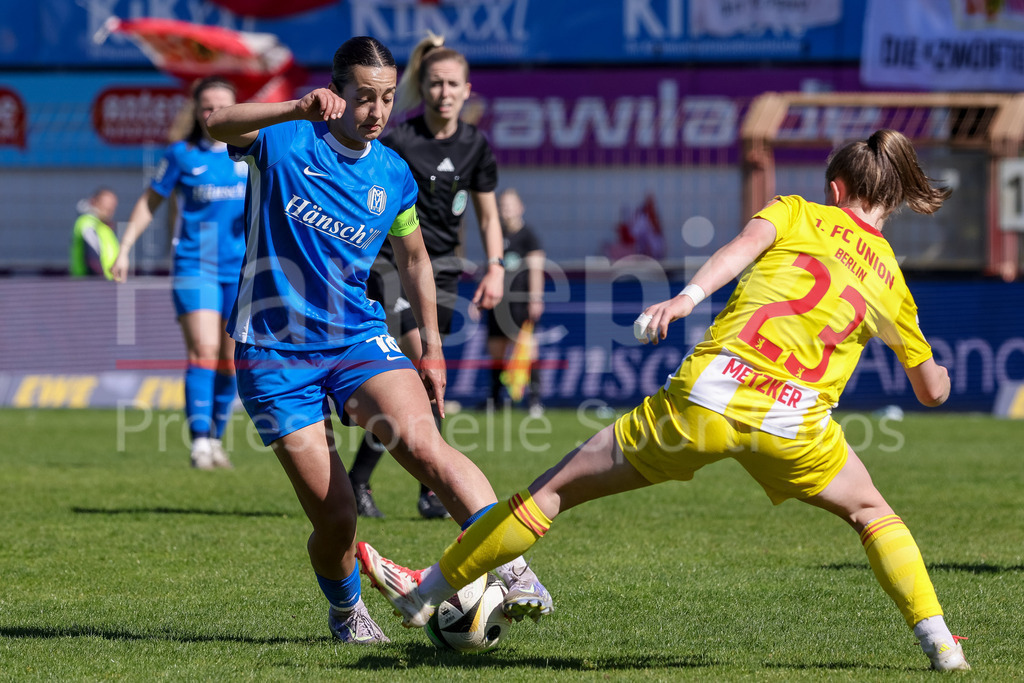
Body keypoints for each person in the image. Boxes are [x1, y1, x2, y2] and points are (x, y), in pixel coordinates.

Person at [358, 129, 971, 671]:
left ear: (836, 189)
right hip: (794, 421)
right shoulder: (890, 278)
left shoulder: (798, 213)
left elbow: (738, 250)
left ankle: (425, 591)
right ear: (889, 199)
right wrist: (936, 367)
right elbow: (931, 391)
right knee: (874, 514)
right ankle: (941, 642)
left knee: (551, 491)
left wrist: (685, 299)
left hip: (711, 394)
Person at [204, 35, 551, 645]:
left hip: (358, 341)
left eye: (388, 98)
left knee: (426, 449)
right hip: (274, 354)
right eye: (364, 97)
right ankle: (347, 613)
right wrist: (291, 108)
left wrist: (433, 348)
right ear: (336, 92)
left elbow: (415, 260)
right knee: (336, 517)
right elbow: (216, 121)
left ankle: (513, 565)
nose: (377, 111)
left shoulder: (392, 174)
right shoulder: (283, 142)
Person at [347, 33, 507, 521]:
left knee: (422, 382)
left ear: (466, 89)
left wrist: (496, 267)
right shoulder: (399, 138)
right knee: (420, 362)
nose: (443, 92)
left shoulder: (475, 145)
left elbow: (487, 215)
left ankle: (364, 481)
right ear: (425, 85)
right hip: (392, 265)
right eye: (435, 83)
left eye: (452, 84)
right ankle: (431, 486)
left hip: (444, 271)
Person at [111, 77, 246, 471]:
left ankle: (216, 437)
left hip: (241, 272)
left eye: (223, 106)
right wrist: (124, 248)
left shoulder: (252, 155)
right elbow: (150, 201)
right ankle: (200, 441)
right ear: (196, 111)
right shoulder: (182, 155)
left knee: (229, 361)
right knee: (202, 351)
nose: (215, 114)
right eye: (207, 106)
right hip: (194, 267)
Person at [484, 188, 545, 415]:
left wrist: (536, 298)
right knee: (496, 349)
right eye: (503, 205)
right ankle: (495, 399)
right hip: (499, 301)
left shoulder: (529, 236)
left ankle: (534, 399)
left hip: (521, 301)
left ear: (521, 208)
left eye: (510, 205)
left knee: (527, 349)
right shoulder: (497, 235)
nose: (506, 209)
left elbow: (537, 269)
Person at [70, 187, 120, 279]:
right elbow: (92, 259)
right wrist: (101, 282)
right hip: (92, 286)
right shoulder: (87, 223)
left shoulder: (103, 227)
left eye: (112, 207)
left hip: (106, 284)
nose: (110, 211)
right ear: (94, 202)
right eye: (105, 207)